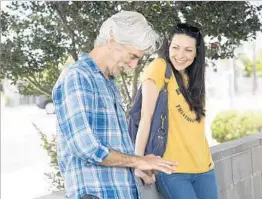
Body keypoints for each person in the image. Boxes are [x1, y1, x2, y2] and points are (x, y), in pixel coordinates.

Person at [52, 11, 178, 199]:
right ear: (112, 39)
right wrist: (137, 161)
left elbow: (112, 149)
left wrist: (136, 167)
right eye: (132, 55)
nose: (134, 65)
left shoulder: (107, 83)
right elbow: (86, 147)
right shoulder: (78, 77)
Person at [134, 23, 218, 199]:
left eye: (188, 50)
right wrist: (138, 162)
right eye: (175, 47)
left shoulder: (194, 80)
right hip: (173, 171)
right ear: (168, 46)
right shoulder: (159, 68)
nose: (180, 55)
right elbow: (145, 118)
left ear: (196, 53)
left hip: (205, 168)